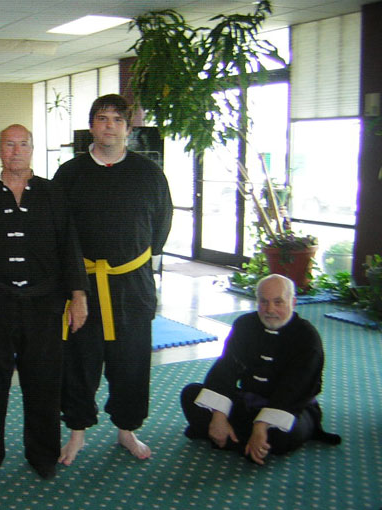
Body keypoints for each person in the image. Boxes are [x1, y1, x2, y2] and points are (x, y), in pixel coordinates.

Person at [0, 124, 89, 482]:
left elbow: (70, 248)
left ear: (32, 149)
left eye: (23, 144)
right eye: (9, 144)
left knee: (43, 382)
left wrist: (78, 296)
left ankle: (43, 455)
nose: (16, 151)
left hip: (45, 303)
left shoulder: (53, 194)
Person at [53, 94, 173, 465]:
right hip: (82, 285)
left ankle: (127, 429)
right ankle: (77, 432)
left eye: (117, 120)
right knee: (79, 362)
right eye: (102, 119)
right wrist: (74, 288)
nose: (109, 126)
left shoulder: (148, 173)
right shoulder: (70, 174)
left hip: (132, 283)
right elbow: (58, 233)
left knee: (131, 362)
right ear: (91, 126)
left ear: (128, 127)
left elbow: (161, 226)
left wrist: (135, 259)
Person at [180, 274, 341, 465]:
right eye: (264, 302)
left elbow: (297, 387)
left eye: (278, 302)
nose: (270, 309)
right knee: (191, 394)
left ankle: (235, 438)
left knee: (280, 437)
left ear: (293, 302)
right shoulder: (245, 325)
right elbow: (226, 367)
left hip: (292, 407)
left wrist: (261, 425)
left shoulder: (306, 336)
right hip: (247, 402)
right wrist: (219, 416)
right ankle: (245, 442)